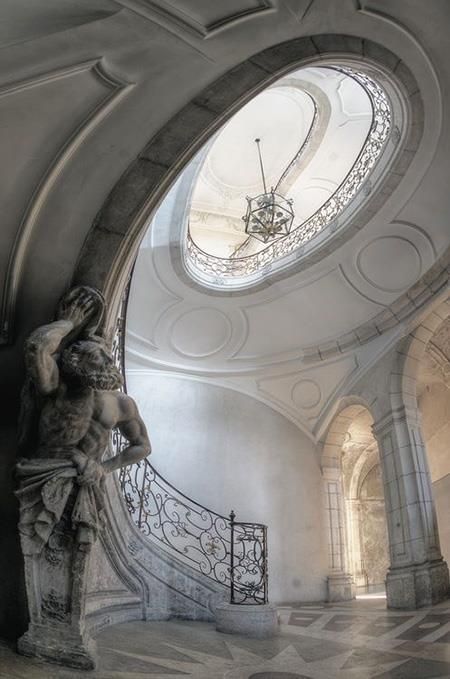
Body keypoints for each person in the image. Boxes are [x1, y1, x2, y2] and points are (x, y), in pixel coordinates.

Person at [15, 285, 151, 554]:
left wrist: (105, 468)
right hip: (43, 472)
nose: (106, 357)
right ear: (73, 357)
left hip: (85, 485)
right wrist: (69, 322)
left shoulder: (121, 403)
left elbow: (143, 446)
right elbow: (35, 347)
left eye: (107, 354)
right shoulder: (57, 385)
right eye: (96, 352)